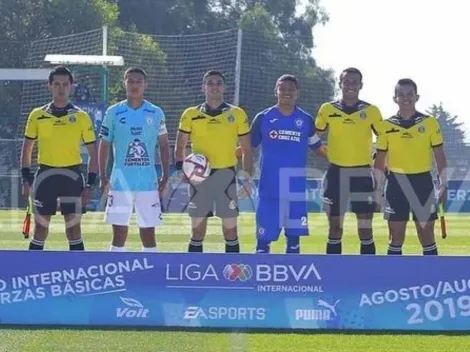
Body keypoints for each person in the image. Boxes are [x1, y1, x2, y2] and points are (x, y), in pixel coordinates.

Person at [174, 70, 253, 253]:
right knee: (197, 231)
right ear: (204, 87)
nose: (214, 86)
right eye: (210, 83)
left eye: (218, 83)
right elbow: (180, 147)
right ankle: (194, 273)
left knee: (230, 230)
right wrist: (183, 170)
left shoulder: (237, 114)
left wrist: (248, 179)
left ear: (224, 87)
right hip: (199, 178)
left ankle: (232, 275)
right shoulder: (190, 114)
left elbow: (247, 150)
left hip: (226, 175)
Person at [20, 65, 98, 251]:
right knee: (40, 229)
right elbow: (27, 149)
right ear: (49, 86)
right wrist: (26, 179)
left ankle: (77, 274)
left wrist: (89, 185)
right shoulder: (37, 115)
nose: (61, 88)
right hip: (45, 175)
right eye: (56, 84)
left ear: (72, 86)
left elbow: (94, 154)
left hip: (72, 176)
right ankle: (31, 274)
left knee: (73, 230)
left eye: (65, 84)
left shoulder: (81, 116)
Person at [249, 74, 326, 254]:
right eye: (282, 89)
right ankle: (261, 280)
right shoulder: (263, 118)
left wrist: (342, 159)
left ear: (297, 93)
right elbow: (247, 147)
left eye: (291, 89)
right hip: (269, 189)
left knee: (293, 244)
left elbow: (318, 149)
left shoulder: (306, 120)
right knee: (262, 245)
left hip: (295, 190)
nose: (287, 93)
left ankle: (293, 281)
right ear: (275, 91)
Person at [98, 67, 170, 252]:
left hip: (147, 182)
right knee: (119, 233)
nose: (134, 85)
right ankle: (117, 276)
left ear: (146, 84)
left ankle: (149, 275)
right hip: (120, 182)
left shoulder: (155, 113)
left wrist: (165, 176)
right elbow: (104, 144)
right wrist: (103, 176)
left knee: (148, 232)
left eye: (138, 81)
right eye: (130, 81)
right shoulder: (113, 112)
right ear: (124, 83)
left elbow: (163, 145)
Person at [374, 78, 447, 255]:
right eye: (401, 95)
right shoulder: (385, 126)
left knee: (427, 235)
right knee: (396, 237)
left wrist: (443, 185)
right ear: (395, 98)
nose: (405, 98)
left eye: (409, 94)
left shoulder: (430, 123)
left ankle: (432, 279)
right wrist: (376, 188)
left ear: (417, 97)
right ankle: (393, 281)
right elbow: (380, 159)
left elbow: (439, 156)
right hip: (395, 184)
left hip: (422, 183)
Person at [315, 67, 383, 255]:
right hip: (335, 173)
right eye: (347, 82)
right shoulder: (327, 109)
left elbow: (385, 141)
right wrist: (324, 153)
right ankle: (333, 274)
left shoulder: (371, 111)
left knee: (365, 229)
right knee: (335, 229)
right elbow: (313, 137)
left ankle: (368, 275)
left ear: (361, 85)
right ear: (340, 84)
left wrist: (378, 161)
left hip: (362, 174)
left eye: (355, 82)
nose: (350, 85)